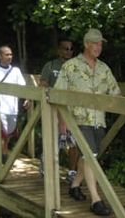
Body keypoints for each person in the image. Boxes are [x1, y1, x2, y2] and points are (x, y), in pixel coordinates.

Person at [54, 28, 121, 216]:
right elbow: (58, 95)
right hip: (78, 119)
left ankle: (75, 185)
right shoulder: (71, 66)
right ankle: (95, 199)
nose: (98, 47)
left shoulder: (104, 68)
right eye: (95, 43)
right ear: (86, 44)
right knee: (90, 156)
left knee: (90, 156)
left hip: (98, 120)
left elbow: (116, 93)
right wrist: (62, 122)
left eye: (100, 44)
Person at [40, 38, 79, 183]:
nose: (68, 52)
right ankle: (47, 165)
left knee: (74, 142)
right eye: (65, 48)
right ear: (59, 50)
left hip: (72, 112)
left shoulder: (77, 68)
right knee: (53, 140)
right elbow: (43, 86)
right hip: (53, 111)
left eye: (70, 49)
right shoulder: (50, 66)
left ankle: (72, 171)